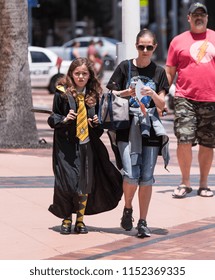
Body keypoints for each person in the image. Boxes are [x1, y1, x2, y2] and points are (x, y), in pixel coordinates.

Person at [48, 57, 123, 234]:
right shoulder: (62, 93)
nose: (81, 76)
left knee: (84, 183)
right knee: (67, 183)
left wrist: (96, 122)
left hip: (86, 144)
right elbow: (53, 118)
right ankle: (66, 219)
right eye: (77, 73)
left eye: (84, 73)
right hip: (66, 146)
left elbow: (98, 130)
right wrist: (64, 119)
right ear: (71, 74)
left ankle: (80, 221)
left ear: (90, 76)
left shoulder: (93, 96)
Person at [106, 29, 169, 238]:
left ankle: (142, 221)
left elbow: (163, 104)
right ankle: (128, 207)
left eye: (149, 47)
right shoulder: (125, 67)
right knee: (131, 175)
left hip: (149, 127)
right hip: (127, 126)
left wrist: (152, 93)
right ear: (136, 46)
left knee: (147, 176)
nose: (145, 50)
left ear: (155, 47)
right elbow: (111, 94)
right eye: (141, 46)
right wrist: (127, 92)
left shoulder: (159, 72)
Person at [166, 2, 215, 198]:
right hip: (184, 97)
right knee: (184, 139)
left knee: (207, 143)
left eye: (202, 15)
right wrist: (160, 95)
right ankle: (184, 182)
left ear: (207, 18)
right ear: (188, 18)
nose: (199, 18)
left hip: (211, 98)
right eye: (195, 15)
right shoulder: (177, 41)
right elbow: (170, 72)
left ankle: (203, 184)